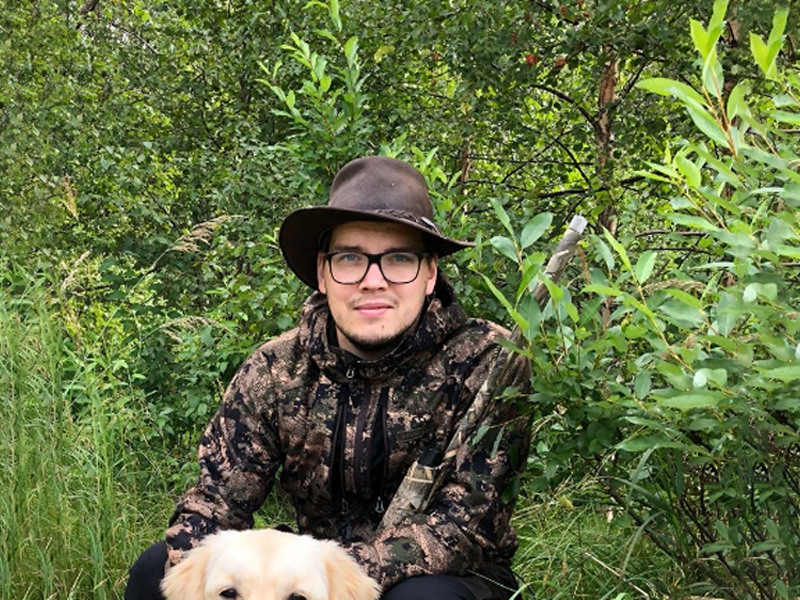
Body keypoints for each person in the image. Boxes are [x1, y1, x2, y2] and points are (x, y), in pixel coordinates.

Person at [125, 156, 532, 600]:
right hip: (310, 573)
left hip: (443, 576)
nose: (373, 281)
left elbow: (466, 527)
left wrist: (336, 575)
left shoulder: (489, 362)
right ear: (323, 272)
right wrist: (200, 564)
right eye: (351, 258)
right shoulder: (276, 369)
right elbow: (216, 501)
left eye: (398, 259)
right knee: (158, 570)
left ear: (430, 272)